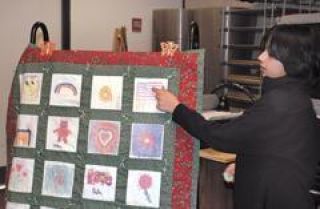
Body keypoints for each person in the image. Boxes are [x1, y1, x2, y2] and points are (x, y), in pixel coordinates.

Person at [153, 24, 320, 209]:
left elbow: (220, 136)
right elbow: (278, 153)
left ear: (293, 60)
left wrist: (176, 108)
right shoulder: (297, 98)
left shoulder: (280, 103)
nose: (261, 57)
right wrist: (246, 166)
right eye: (263, 50)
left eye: (271, 53)